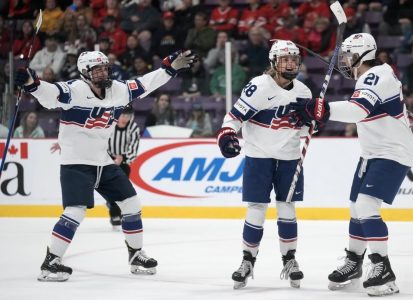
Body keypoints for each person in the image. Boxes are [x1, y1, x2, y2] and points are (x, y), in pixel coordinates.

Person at [15, 49, 195, 281]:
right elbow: (50, 94)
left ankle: (136, 254)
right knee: (75, 212)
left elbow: (145, 84)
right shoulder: (74, 90)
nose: (102, 73)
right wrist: (31, 82)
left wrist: (169, 69)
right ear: (84, 72)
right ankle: (51, 262)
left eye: (104, 68)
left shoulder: (118, 90)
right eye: (96, 69)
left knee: (131, 203)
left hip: (103, 161)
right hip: (76, 162)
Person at [290, 33, 413, 297]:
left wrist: (320, 108)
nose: (344, 61)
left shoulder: (375, 75)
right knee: (356, 207)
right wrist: (319, 109)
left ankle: (383, 267)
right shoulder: (373, 76)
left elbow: (358, 110)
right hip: (372, 153)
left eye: (348, 55)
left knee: (367, 205)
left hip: (392, 152)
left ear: (361, 55)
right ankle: (355, 261)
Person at [216, 40, 312, 289]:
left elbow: (304, 130)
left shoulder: (304, 92)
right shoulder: (259, 86)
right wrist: (227, 135)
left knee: (287, 209)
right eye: (285, 60)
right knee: (256, 209)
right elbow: (234, 117)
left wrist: (315, 119)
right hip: (259, 156)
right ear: (273, 62)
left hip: (290, 158)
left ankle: (289, 260)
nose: (291, 63)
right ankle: (247, 261)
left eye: (294, 59)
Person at [106, 106, 141, 228]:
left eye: (128, 116)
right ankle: (114, 212)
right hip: (107, 161)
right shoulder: (109, 124)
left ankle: (117, 211)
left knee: (121, 190)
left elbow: (133, 148)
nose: (125, 118)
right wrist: (110, 158)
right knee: (110, 189)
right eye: (122, 115)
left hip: (124, 164)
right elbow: (101, 142)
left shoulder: (133, 128)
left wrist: (123, 158)